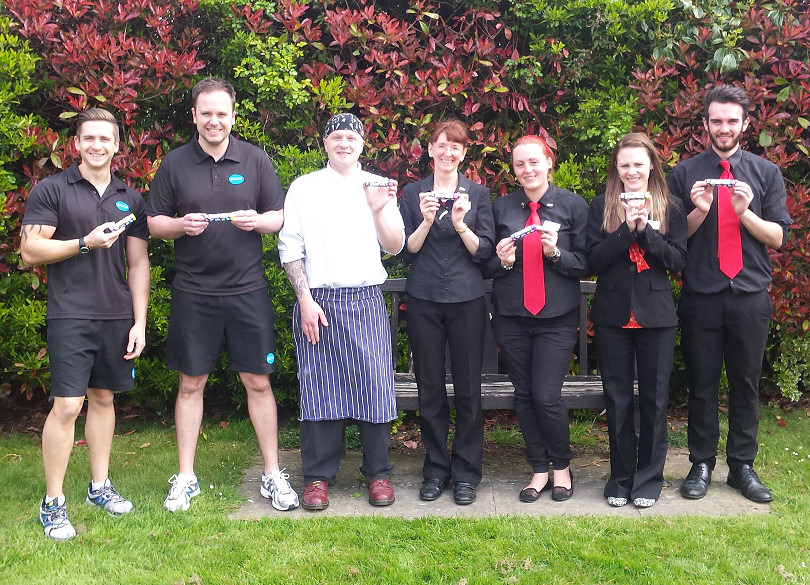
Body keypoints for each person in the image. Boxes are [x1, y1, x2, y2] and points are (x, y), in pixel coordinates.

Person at [146, 77, 298, 513]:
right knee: (191, 383)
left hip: (247, 289)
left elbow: (279, 216)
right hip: (194, 291)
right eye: (206, 113)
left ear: (233, 115)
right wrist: (181, 226)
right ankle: (186, 477)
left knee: (258, 381)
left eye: (222, 113)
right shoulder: (174, 164)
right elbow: (155, 222)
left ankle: (272, 474)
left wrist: (258, 221)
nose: (214, 120)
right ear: (194, 116)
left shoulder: (254, 159)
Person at [20, 108, 150, 540]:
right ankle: (53, 502)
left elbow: (138, 262)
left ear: (117, 146)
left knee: (104, 399)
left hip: (116, 314)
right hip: (70, 313)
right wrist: (83, 243)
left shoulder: (129, 198)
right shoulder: (52, 190)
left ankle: (99, 486)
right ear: (76, 143)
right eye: (88, 138)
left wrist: (140, 321)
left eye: (105, 139)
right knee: (68, 406)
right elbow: (30, 252)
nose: (97, 145)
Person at [667, 84, 791, 503]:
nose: (724, 128)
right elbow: (671, 240)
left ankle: (742, 466)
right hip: (701, 295)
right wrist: (699, 210)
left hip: (750, 296)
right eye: (716, 121)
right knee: (702, 384)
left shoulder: (766, 173)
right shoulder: (683, 175)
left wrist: (745, 213)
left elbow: (776, 237)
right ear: (704, 124)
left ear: (746, 124)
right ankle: (700, 463)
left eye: (731, 121)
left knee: (745, 383)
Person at [278, 112, 405, 511]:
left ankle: (378, 473)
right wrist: (305, 301)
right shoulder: (304, 187)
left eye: (352, 137)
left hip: (366, 299)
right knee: (318, 388)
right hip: (319, 301)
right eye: (337, 137)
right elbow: (290, 247)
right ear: (325, 144)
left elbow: (395, 245)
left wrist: (378, 209)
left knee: (375, 386)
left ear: (363, 144)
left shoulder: (379, 185)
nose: (344, 143)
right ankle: (317, 476)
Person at [586, 133, 687, 509]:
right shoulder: (601, 206)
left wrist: (646, 231)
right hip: (613, 316)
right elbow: (593, 259)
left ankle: (649, 479)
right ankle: (621, 477)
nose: (631, 171)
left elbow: (677, 261)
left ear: (651, 167)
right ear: (617, 168)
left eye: (638, 164)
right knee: (617, 400)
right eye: (624, 164)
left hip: (656, 317)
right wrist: (626, 229)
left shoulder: (670, 207)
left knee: (655, 400)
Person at [486, 135, 589, 503]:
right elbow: (484, 263)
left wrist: (556, 252)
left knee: (546, 395)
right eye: (519, 164)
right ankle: (539, 470)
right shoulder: (501, 209)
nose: (527, 169)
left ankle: (562, 465)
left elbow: (587, 263)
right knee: (525, 395)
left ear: (549, 163)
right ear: (513, 170)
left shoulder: (572, 206)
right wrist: (501, 260)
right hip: (512, 317)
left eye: (534, 162)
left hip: (556, 318)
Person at [399, 120, 496, 505]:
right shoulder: (412, 192)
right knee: (431, 388)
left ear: (464, 153)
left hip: (467, 300)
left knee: (469, 388)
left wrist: (459, 225)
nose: (448, 152)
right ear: (430, 150)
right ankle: (436, 469)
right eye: (441, 145)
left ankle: (467, 473)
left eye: (455, 146)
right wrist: (425, 220)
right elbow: (406, 250)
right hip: (424, 299)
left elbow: (485, 251)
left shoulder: (478, 194)